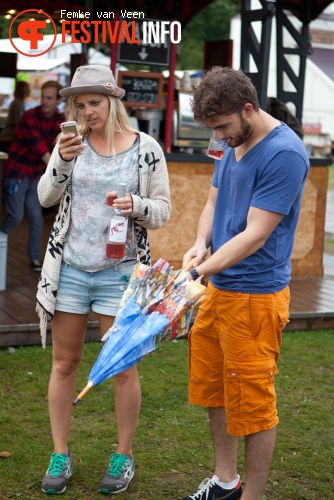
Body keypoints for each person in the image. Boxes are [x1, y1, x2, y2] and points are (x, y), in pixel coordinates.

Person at [35, 64, 171, 495]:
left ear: (113, 101)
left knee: (123, 370)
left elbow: (164, 210)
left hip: (121, 273)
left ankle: (124, 455)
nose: (87, 111)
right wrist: (61, 156)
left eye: (94, 102)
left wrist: (136, 204)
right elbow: (45, 197)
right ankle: (60, 453)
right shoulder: (70, 146)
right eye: (79, 104)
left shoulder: (145, 148)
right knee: (64, 363)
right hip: (71, 269)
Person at [181, 67, 310, 500]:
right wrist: (200, 244)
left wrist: (200, 272)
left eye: (223, 126)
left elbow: (255, 234)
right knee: (216, 391)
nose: (218, 136)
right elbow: (214, 199)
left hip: (256, 299)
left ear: (249, 109)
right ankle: (225, 483)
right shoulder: (229, 138)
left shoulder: (284, 154)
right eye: (213, 128)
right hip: (219, 290)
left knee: (253, 407)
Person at [0, 81, 64, 272]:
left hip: (35, 174)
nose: (44, 101)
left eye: (49, 98)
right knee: (16, 216)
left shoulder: (59, 120)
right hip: (18, 172)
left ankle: (35, 258)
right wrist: (62, 175)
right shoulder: (29, 116)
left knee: (36, 217)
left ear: (58, 100)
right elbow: (43, 152)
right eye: (43, 96)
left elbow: (62, 147)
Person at [0, 80, 31, 153]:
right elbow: (19, 123)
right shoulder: (17, 103)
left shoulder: (18, 102)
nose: (29, 90)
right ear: (23, 90)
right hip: (9, 137)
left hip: (9, 137)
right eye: (27, 88)